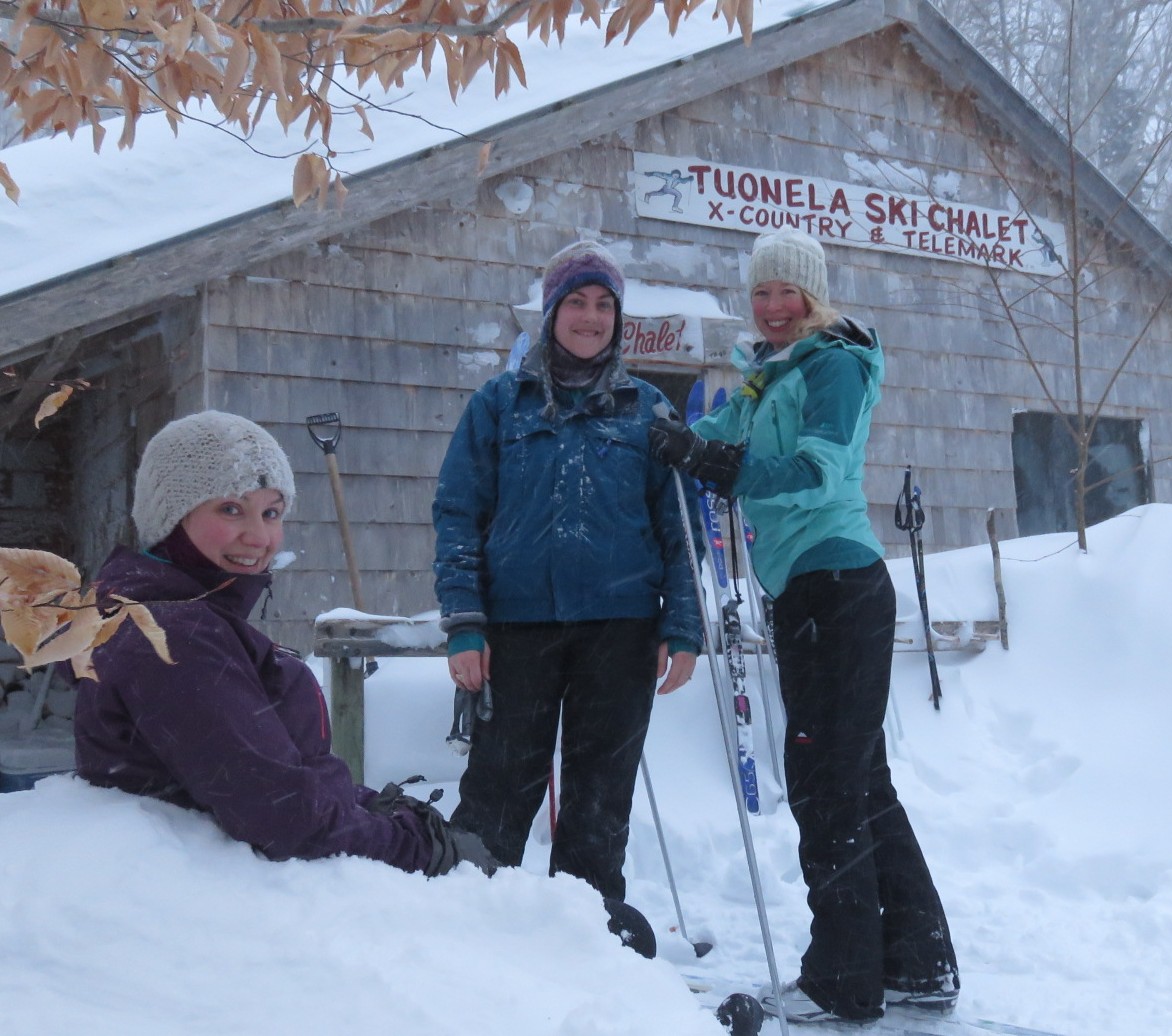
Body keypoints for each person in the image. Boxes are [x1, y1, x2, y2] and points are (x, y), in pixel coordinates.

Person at [650, 229, 960, 1024]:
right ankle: (918, 963)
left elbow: (819, 468)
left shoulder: (834, 365)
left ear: (814, 297)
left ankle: (842, 979)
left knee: (823, 782)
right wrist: (657, 431)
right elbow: (713, 439)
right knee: (860, 781)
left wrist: (723, 468)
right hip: (804, 586)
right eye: (761, 293)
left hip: (838, 583)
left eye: (788, 293)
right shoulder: (767, 374)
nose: (774, 307)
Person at [73, 410, 493, 877]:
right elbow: (283, 815)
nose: (259, 537)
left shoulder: (177, 615)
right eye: (231, 508)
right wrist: (425, 848)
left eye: (271, 512)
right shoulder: (172, 636)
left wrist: (372, 806)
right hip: (235, 900)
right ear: (171, 514)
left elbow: (269, 775)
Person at [432, 239, 702, 908]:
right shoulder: (499, 404)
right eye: (576, 302)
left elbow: (678, 529)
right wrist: (465, 624)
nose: (590, 317)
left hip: (621, 631)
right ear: (550, 312)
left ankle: (590, 938)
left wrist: (685, 626)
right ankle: (465, 929)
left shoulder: (647, 411)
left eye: (604, 304)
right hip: (518, 629)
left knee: (599, 801)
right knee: (497, 790)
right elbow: (458, 515)